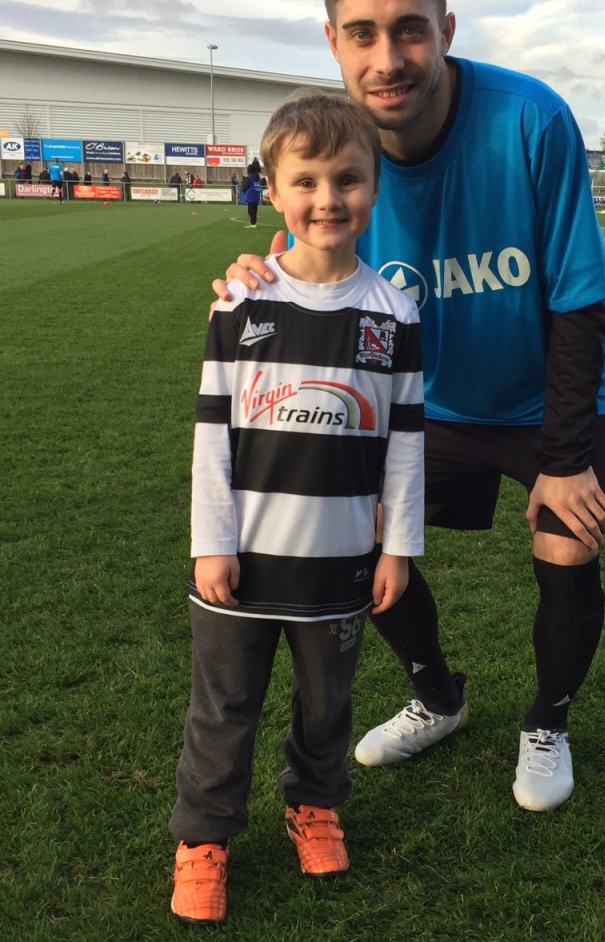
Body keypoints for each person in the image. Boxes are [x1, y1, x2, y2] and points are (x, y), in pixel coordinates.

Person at [213, 0, 605, 814]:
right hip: (431, 401)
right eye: (362, 33)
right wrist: (253, 278)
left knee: (568, 544)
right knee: (356, 541)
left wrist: (563, 458)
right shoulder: (341, 152)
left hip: (554, 387)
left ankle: (547, 721)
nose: (387, 56)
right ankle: (439, 696)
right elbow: (308, 274)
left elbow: (577, 302)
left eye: (409, 28)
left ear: (445, 28)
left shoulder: (531, 117)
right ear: (333, 42)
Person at [170, 91, 425, 926]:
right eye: (306, 181)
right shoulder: (240, 305)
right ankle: (203, 841)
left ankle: (313, 804)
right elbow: (212, 435)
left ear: (373, 188)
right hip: (243, 559)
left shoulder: (394, 312)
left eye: (347, 179)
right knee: (224, 707)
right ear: (273, 191)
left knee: (328, 706)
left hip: (342, 556)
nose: (327, 199)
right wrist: (212, 542)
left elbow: (405, 441)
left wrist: (398, 549)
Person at [241, 159, 261, 227]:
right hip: (256, 196)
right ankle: (253, 223)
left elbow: (245, 187)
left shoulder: (250, 178)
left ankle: (252, 223)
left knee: (250, 211)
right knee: (254, 210)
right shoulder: (257, 177)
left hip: (251, 196)